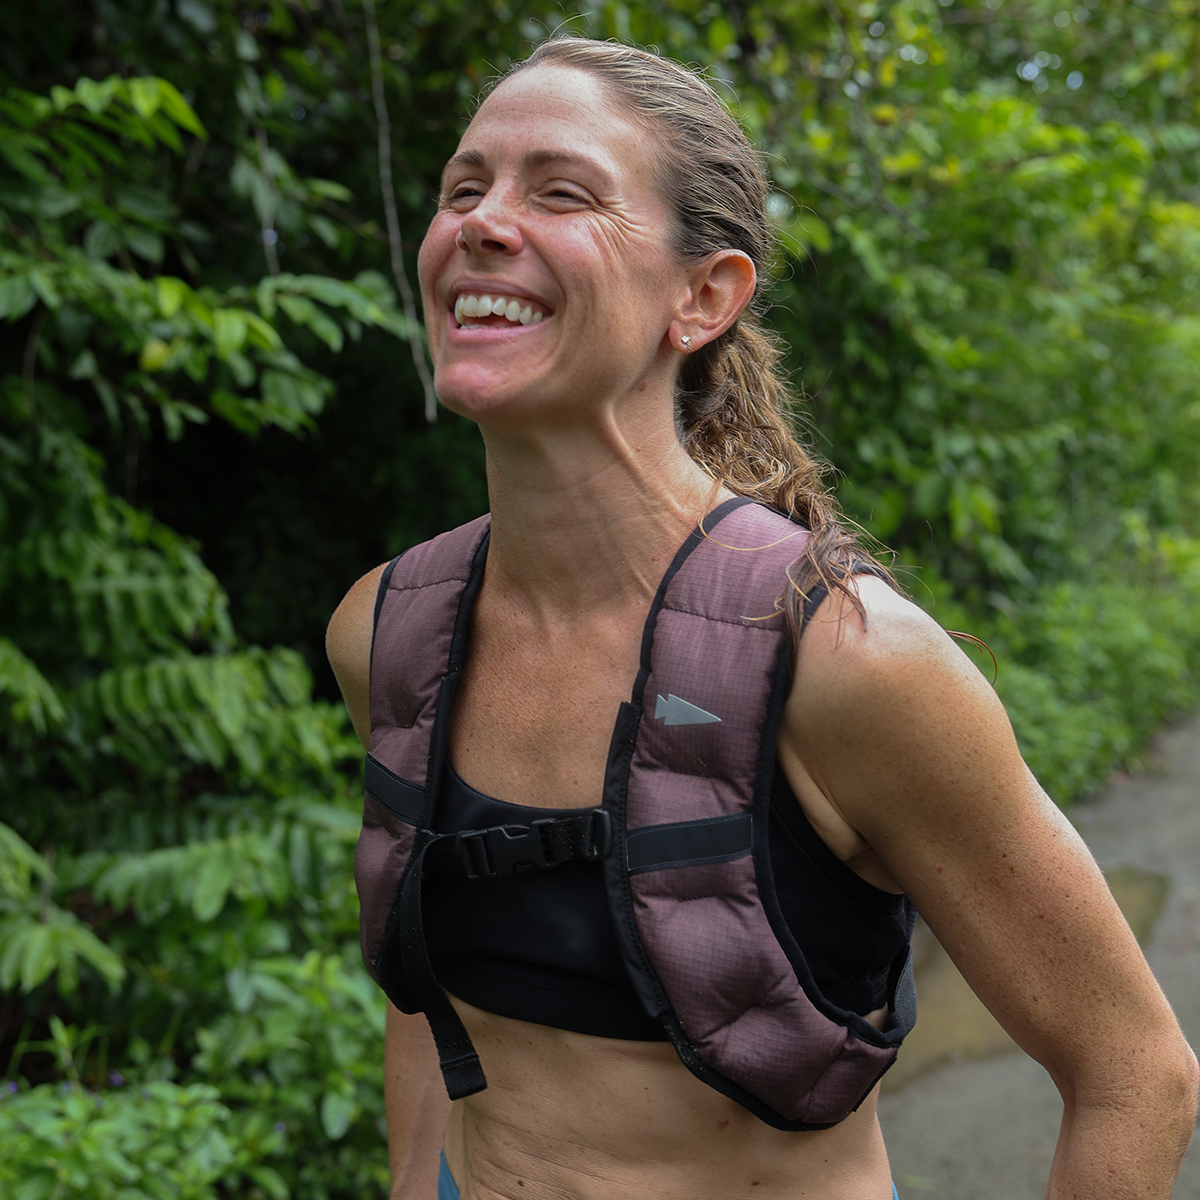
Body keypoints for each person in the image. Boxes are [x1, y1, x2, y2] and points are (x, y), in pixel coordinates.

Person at [326, 36, 1198, 1200]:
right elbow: (428, 1002)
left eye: (562, 191)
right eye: (462, 186)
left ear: (703, 298)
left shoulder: (848, 666)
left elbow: (1137, 1071)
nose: (482, 221)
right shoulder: (389, 633)